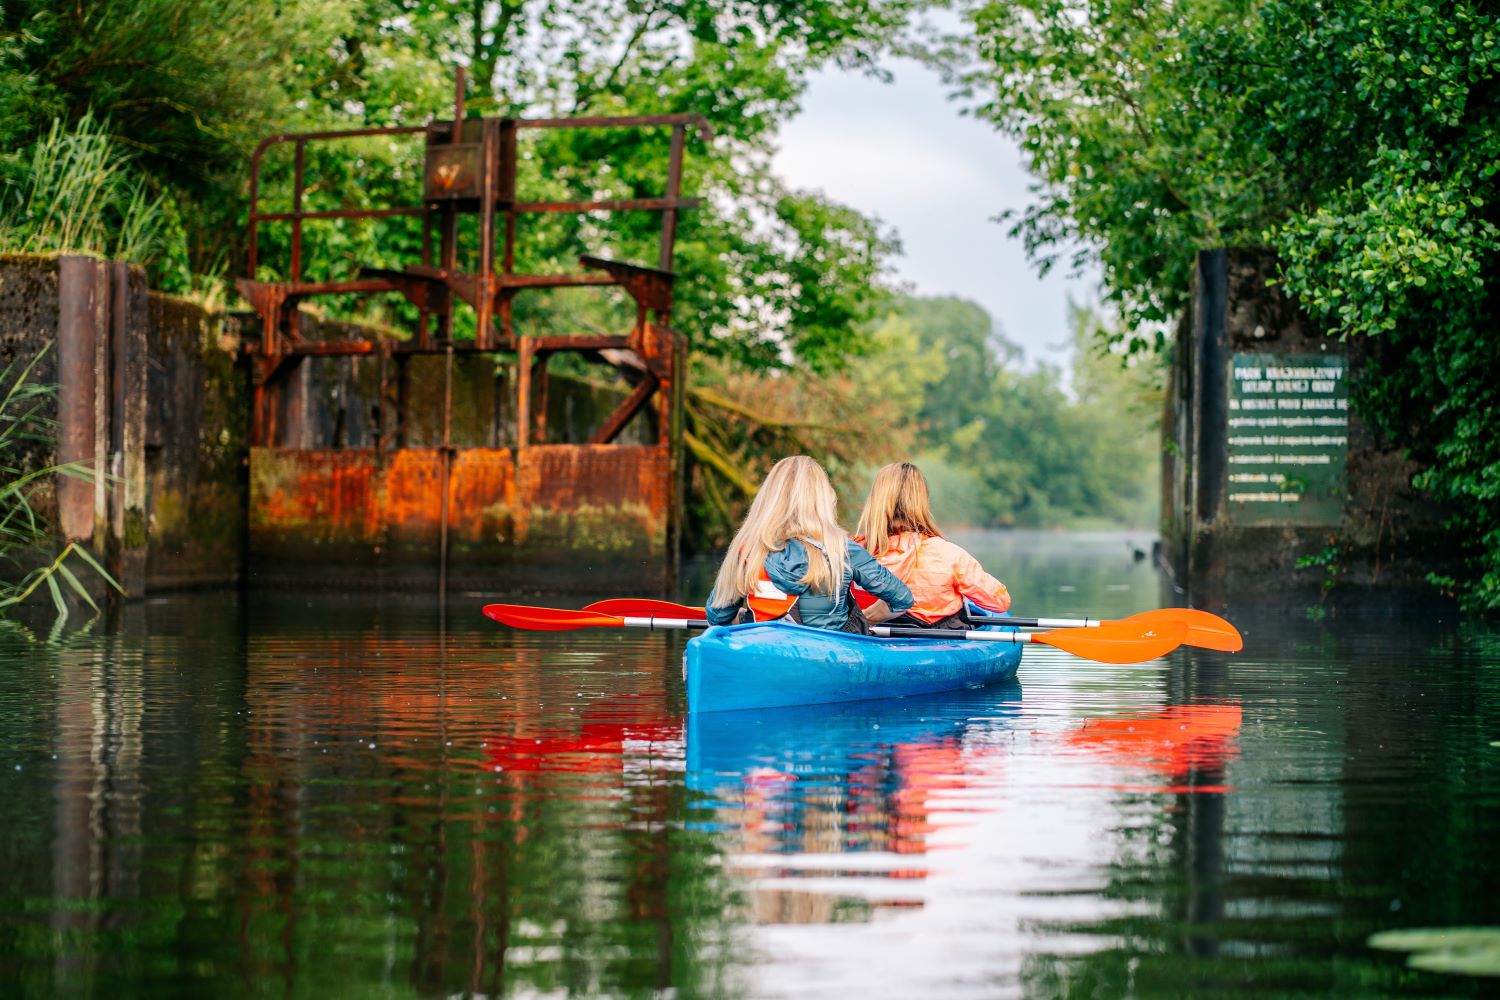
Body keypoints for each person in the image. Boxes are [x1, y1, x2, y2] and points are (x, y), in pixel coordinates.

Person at [705, 456, 913, 632]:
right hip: (827, 660)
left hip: (760, 654)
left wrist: (745, 617)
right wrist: (868, 619)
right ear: (822, 499)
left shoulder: (747, 548)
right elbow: (902, 599)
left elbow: (717, 616)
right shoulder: (840, 549)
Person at [854, 461, 1011, 629]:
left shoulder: (852, 552)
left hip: (870, 640)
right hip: (939, 644)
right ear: (922, 502)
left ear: (874, 502)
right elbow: (1000, 602)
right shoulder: (948, 555)